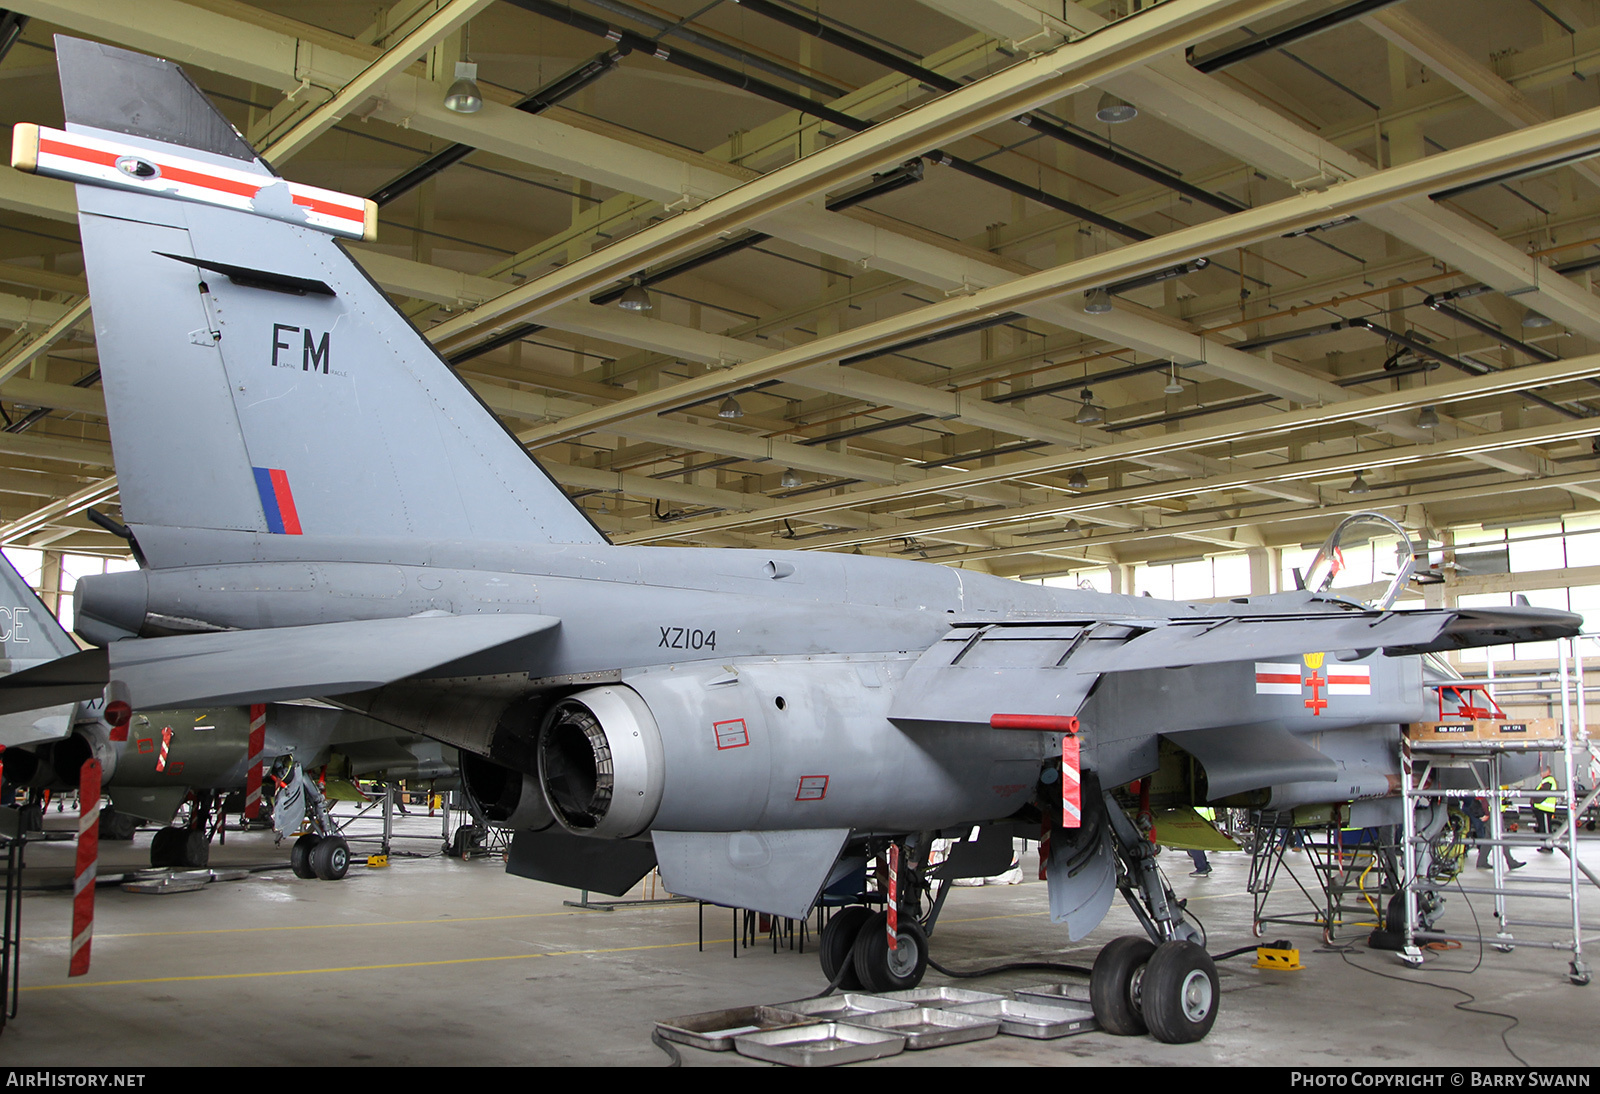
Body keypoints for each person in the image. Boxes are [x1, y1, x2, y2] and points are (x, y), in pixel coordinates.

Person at [1534, 768, 1559, 852]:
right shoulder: (1545, 781)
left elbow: (1542, 794)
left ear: (1548, 771)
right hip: (1542, 808)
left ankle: (1548, 846)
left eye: (1543, 771)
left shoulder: (1548, 781)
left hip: (1544, 809)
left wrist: (1534, 800)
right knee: (1543, 828)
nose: (1541, 773)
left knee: (1545, 828)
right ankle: (1544, 845)